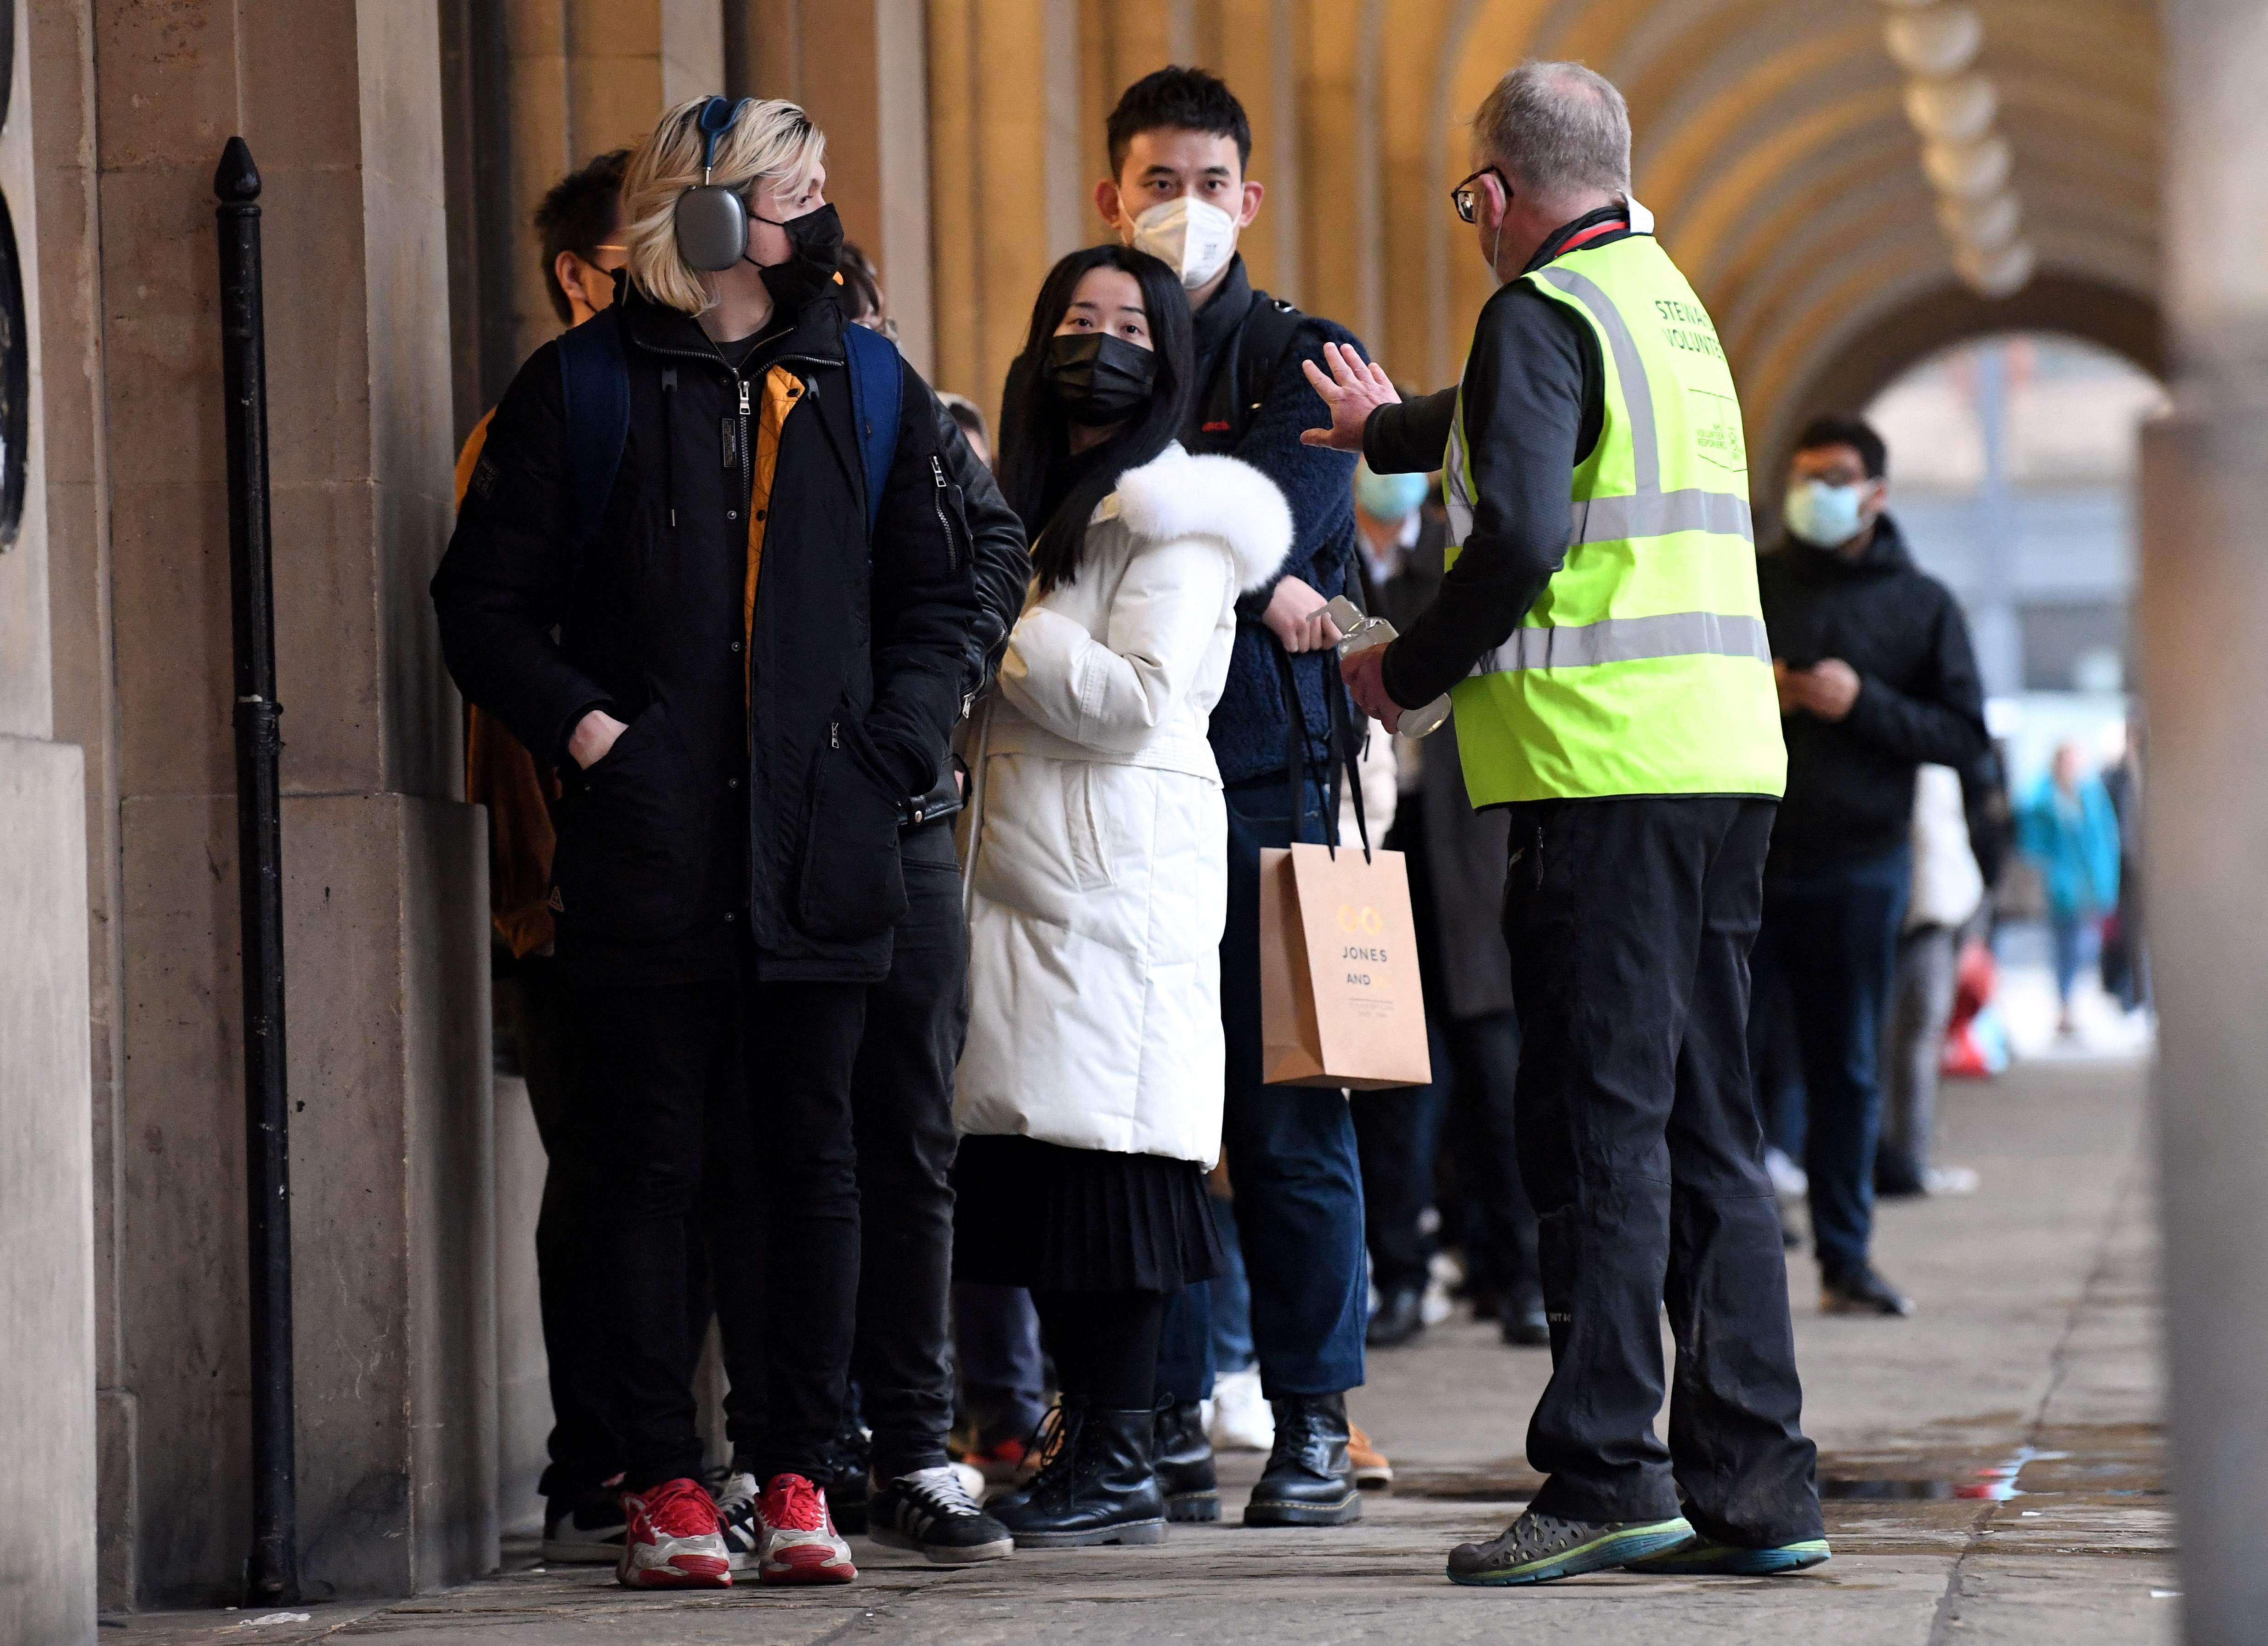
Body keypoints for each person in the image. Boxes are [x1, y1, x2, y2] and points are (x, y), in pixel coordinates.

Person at [432, 95, 982, 1591]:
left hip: (823, 852)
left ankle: (799, 1468)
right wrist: (599, 734)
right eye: (793, 190)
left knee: (812, 1163)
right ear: (713, 213)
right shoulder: (582, 390)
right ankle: (664, 1481)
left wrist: (891, 748)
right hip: (648, 858)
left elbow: (938, 603)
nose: (820, 213)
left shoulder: (864, 384)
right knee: (646, 1164)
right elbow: (479, 603)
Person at [1312, 60, 1826, 1584]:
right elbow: (1527, 434)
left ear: (1502, 192)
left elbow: (1529, 522)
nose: (1474, 225)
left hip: (1601, 774)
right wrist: (1384, 424)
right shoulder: (1662, 303)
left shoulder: (1533, 312)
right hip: (1716, 763)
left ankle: (1604, 1465)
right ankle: (1755, 1479)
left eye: (1472, 196)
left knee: (1599, 1126)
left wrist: (1394, 669)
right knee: (1705, 1124)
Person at [951, 243, 1294, 1549]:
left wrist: (1000, 615)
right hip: (1028, 873)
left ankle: (1120, 1447)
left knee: (1119, 1172)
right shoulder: (1046, 500)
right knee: (1048, 1166)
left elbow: (1142, 698)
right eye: (1076, 318)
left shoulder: (1175, 511)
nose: (1100, 341)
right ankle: (1083, 1439)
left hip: (1110, 870)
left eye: (1130, 325)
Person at [1085, 63, 1376, 1532]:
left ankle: (1314, 1419)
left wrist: (1218, 537)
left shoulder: (1308, 357)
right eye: (1155, 181)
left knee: (1285, 1120)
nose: (1181, 209)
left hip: (1270, 781)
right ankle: (1161, 1414)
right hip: (1122, 788)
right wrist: (1228, 552)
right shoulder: (1091, 342)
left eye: (1208, 183)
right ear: (1108, 196)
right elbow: (1070, 524)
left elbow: (1277, 522)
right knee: (1144, 1115)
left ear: (1246, 200)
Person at [452, 149, 639, 1565]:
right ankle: (598, 1465)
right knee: (602, 1172)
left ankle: (668, 1455)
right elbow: (504, 667)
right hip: (572, 888)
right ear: (582, 277)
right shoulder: (531, 424)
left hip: (687, 876)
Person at [1752, 413, 1990, 1316]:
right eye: (1803, 477)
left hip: (1861, 863)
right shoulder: (1754, 581)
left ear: (1875, 492)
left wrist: (1862, 704)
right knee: (1733, 1059)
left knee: (1845, 1062)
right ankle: (1730, 1258)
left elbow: (1962, 734)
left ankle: (1843, 1259)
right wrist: (1764, 692)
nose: (1816, 495)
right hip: (1752, 855)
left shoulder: (1919, 603)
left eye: (1835, 478)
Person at [1345, 463, 1544, 1352]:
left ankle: (1519, 1272)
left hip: (1465, 840)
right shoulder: (1330, 561)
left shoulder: (1453, 558)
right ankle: (1398, 1276)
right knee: (1386, 1070)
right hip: (1372, 839)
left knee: (1495, 1072)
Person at [1877, 764, 1985, 1198]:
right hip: (1909, 908)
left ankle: (1906, 1159)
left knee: (1909, 1042)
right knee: (1901, 1043)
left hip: (1928, 909)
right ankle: (1896, 1158)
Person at [2019, 741, 2122, 1037]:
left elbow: (2104, 840)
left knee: (2086, 946)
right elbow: (2034, 845)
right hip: (2060, 885)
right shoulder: (2042, 798)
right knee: (2064, 947)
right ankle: (2065, 1004)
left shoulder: (2090, 795)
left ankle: (2072, 1000)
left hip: (2088, 884)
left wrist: (2106, 880)